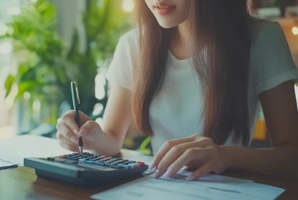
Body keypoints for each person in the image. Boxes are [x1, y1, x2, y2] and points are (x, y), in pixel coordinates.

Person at [56, 0, 298, 180]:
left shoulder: (261, 38)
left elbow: (292, 159)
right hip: (157, 188)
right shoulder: (133, 44)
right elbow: (111, 141)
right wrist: (91, 136)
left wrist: (223, 156)